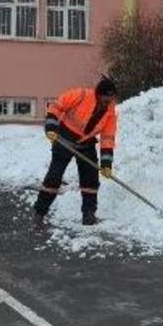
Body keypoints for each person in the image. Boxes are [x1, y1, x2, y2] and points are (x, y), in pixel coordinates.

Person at [33, 76, 118, 226]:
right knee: (54, 176)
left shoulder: (111, 112)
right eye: (105, 99)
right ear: (98, 94)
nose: (108, 103)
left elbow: (108, 138)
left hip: (86, 144)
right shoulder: (80, 95)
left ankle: (89, 214)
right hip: (64, 139)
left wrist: (106, 164)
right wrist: (51, 127)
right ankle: (40, 213)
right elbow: (56, 107)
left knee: (90, 179)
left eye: (110, 99)